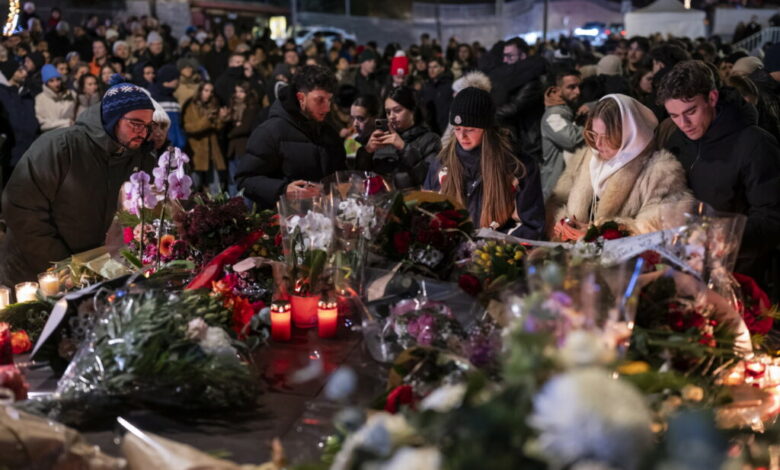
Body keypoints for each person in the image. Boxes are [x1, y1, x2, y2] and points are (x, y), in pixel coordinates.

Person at [0, 75, 156, 285]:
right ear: (112, 118)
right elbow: (21, 208)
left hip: (89, 273)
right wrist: (62, 265)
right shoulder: (60, 147)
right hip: (32, 272)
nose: (143, 132)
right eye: (135, 123)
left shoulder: (138, 159)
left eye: (148, 126)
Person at [657, 60, 780, 282]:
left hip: (740, 274)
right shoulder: (677, 140)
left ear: (712, 98)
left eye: (691, 111)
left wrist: (721, 236)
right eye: (674, 116)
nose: (684, 123)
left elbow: (771, 219)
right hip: (687, 267)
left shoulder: (755, 143)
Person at [548, 94, 691, 240]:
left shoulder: (660, 172)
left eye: (607, 136)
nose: (598, 144)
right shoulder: (585, 158)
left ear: (629, 133)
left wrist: (599, 233)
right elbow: (558, 203)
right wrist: (564, 225)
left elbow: (656, 229)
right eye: (594, 134)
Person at [424, 87, 544, 239]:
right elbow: (427, 216)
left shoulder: (517, 167)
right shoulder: (441, 164)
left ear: (487, 129)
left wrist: (491, 246)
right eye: (457, 128)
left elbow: (531, 225)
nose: (462, 136)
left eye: (470, 129)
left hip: (497, 254)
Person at [236, 65, 346, 209]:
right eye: (319, 100)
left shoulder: (328, 132)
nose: (327, 108)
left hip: (324, 220)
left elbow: (341, 175)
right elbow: (245, 179)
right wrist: (283, 190)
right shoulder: (270, 131)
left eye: (329, 100)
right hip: (283, 222)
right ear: (301, 97)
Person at [356, 86, 440, 189]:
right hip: (380, 199)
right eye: (388, 112)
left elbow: (430, 179)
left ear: (412, 111)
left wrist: (404, 148)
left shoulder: (430, 139)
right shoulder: (381, 137)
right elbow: (359, 177)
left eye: (397, 110)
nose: (391, 116)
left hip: (412, 200)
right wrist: (367, 151)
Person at [540, 68, 583, 200]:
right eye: (571, 87)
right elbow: (571, 139)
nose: (578, 92)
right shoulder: (553, 116)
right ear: (555, 91)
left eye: (578, 86)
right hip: (556, 188)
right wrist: (592, 127)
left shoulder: (569, 111)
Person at [182, 81, 228, 191]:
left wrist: (222, 118)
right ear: (200, 91)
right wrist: (207, 120)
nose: (209, 94)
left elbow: (216, 128)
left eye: (211, 91)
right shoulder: (191, 105)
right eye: (206, 90)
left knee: (215, 188)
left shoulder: (214, 104)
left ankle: (217, 208)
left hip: (212, 152)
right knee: (194, 186)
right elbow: (189, 127)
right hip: (196, 152)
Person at [0, 60, 38, 181]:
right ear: (11, 73)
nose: (24, 73)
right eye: (20, 70)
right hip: (10, 150)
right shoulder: (2, 93)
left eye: (24, 69)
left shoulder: (27, 94)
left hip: (29, 150)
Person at [225, 81, 260, 194]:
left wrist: (230, 133)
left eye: (241, 91)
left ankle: (245, 209)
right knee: (232, 180)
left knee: (244, 181)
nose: (238, 94)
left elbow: (245, 127)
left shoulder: (251, 107)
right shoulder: (232, 107)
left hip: (244, 148)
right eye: (236, 91)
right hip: (233, 150)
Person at [35, 63, 77, 132]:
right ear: (46, 83)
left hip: (69, 134)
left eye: (58, 79)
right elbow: (42, 124)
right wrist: (66, 123)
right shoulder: (40, 99)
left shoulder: (71, 95)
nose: (56, 84)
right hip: (50, 137)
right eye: (51, 81)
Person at [421, 57, 453, 135]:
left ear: (442, 68)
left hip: (446, 130)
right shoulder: (425, 87)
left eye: (435, 67)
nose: (431, 70)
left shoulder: (450, 86)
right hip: (430, 130)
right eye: (429, 67)